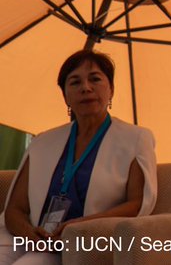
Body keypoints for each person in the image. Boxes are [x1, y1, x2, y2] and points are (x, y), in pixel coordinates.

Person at [1, 49, 157, 265]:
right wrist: (30, 234)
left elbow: (137, 203)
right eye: (75, 82)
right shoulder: (44, 141)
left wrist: (79, 225)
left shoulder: (135, 138)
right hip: (26, 238)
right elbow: (14, 210)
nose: (86, 88)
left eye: (95, 79)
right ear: (65, 96)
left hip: (84, 242)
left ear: (111, 89)